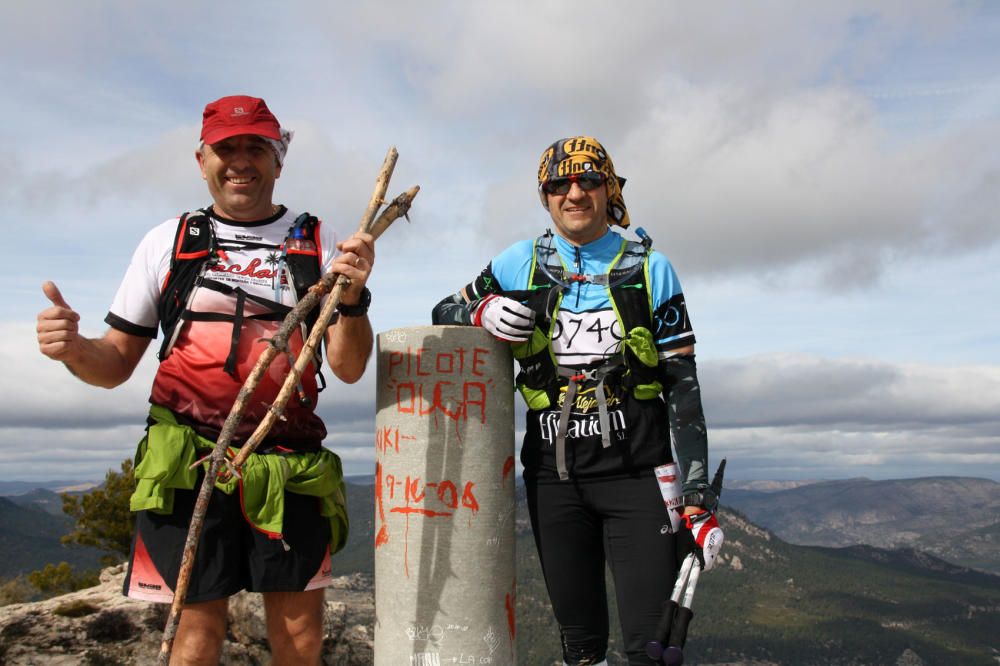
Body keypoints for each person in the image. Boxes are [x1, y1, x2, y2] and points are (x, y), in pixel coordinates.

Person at [36, 95, 375, 665]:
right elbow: (115, 361)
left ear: (278, 159)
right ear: (202, 160)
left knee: (300, 640)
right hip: (186, 458)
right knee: (193, 642)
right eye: (227, 148)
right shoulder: (168, 241)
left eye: (256, 148)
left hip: (289, 460)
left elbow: (347, 365)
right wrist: (73, 349)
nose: (241, 161)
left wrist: (355, 300)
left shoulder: (318, 239)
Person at [432, 136, 722, 665]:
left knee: (649, 651)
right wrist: (480, 312)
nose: (574, 192)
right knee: (580, 648)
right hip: (553, 479)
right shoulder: (520, 261)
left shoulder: (651, 268)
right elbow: (443, 309)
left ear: (608, 188)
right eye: (558, 183)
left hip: (640, 477)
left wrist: (697, 489)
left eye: (589, 179)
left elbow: (683, 384)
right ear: (543, 195)